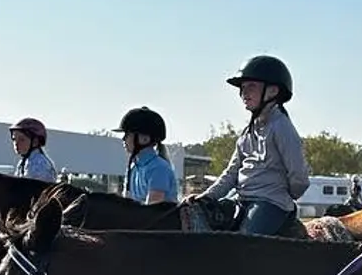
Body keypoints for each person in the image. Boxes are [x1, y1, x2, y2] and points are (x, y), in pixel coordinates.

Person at [193, 55, 308, 236]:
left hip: (270, 202)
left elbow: (299, 176)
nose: (244, 93)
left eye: (251, 86)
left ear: (272, 91)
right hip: (241, 198)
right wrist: (207, 197)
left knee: (243, 243)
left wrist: (285, 196)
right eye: (242, 88)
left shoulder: (282, 127)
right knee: (197, 222)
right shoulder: (247, 132)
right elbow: (231, 173)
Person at [118, 106, 177, 205]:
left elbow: (152, 210)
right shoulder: (133, 167)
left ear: (144, 139)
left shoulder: (159, 168)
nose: (123, 139)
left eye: (127, 134)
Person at [10, 117, 56, 181]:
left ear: (35, 142)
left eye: (22, 139)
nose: (16, 143)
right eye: (14, 139)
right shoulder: (24, 162)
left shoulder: (39, 163)